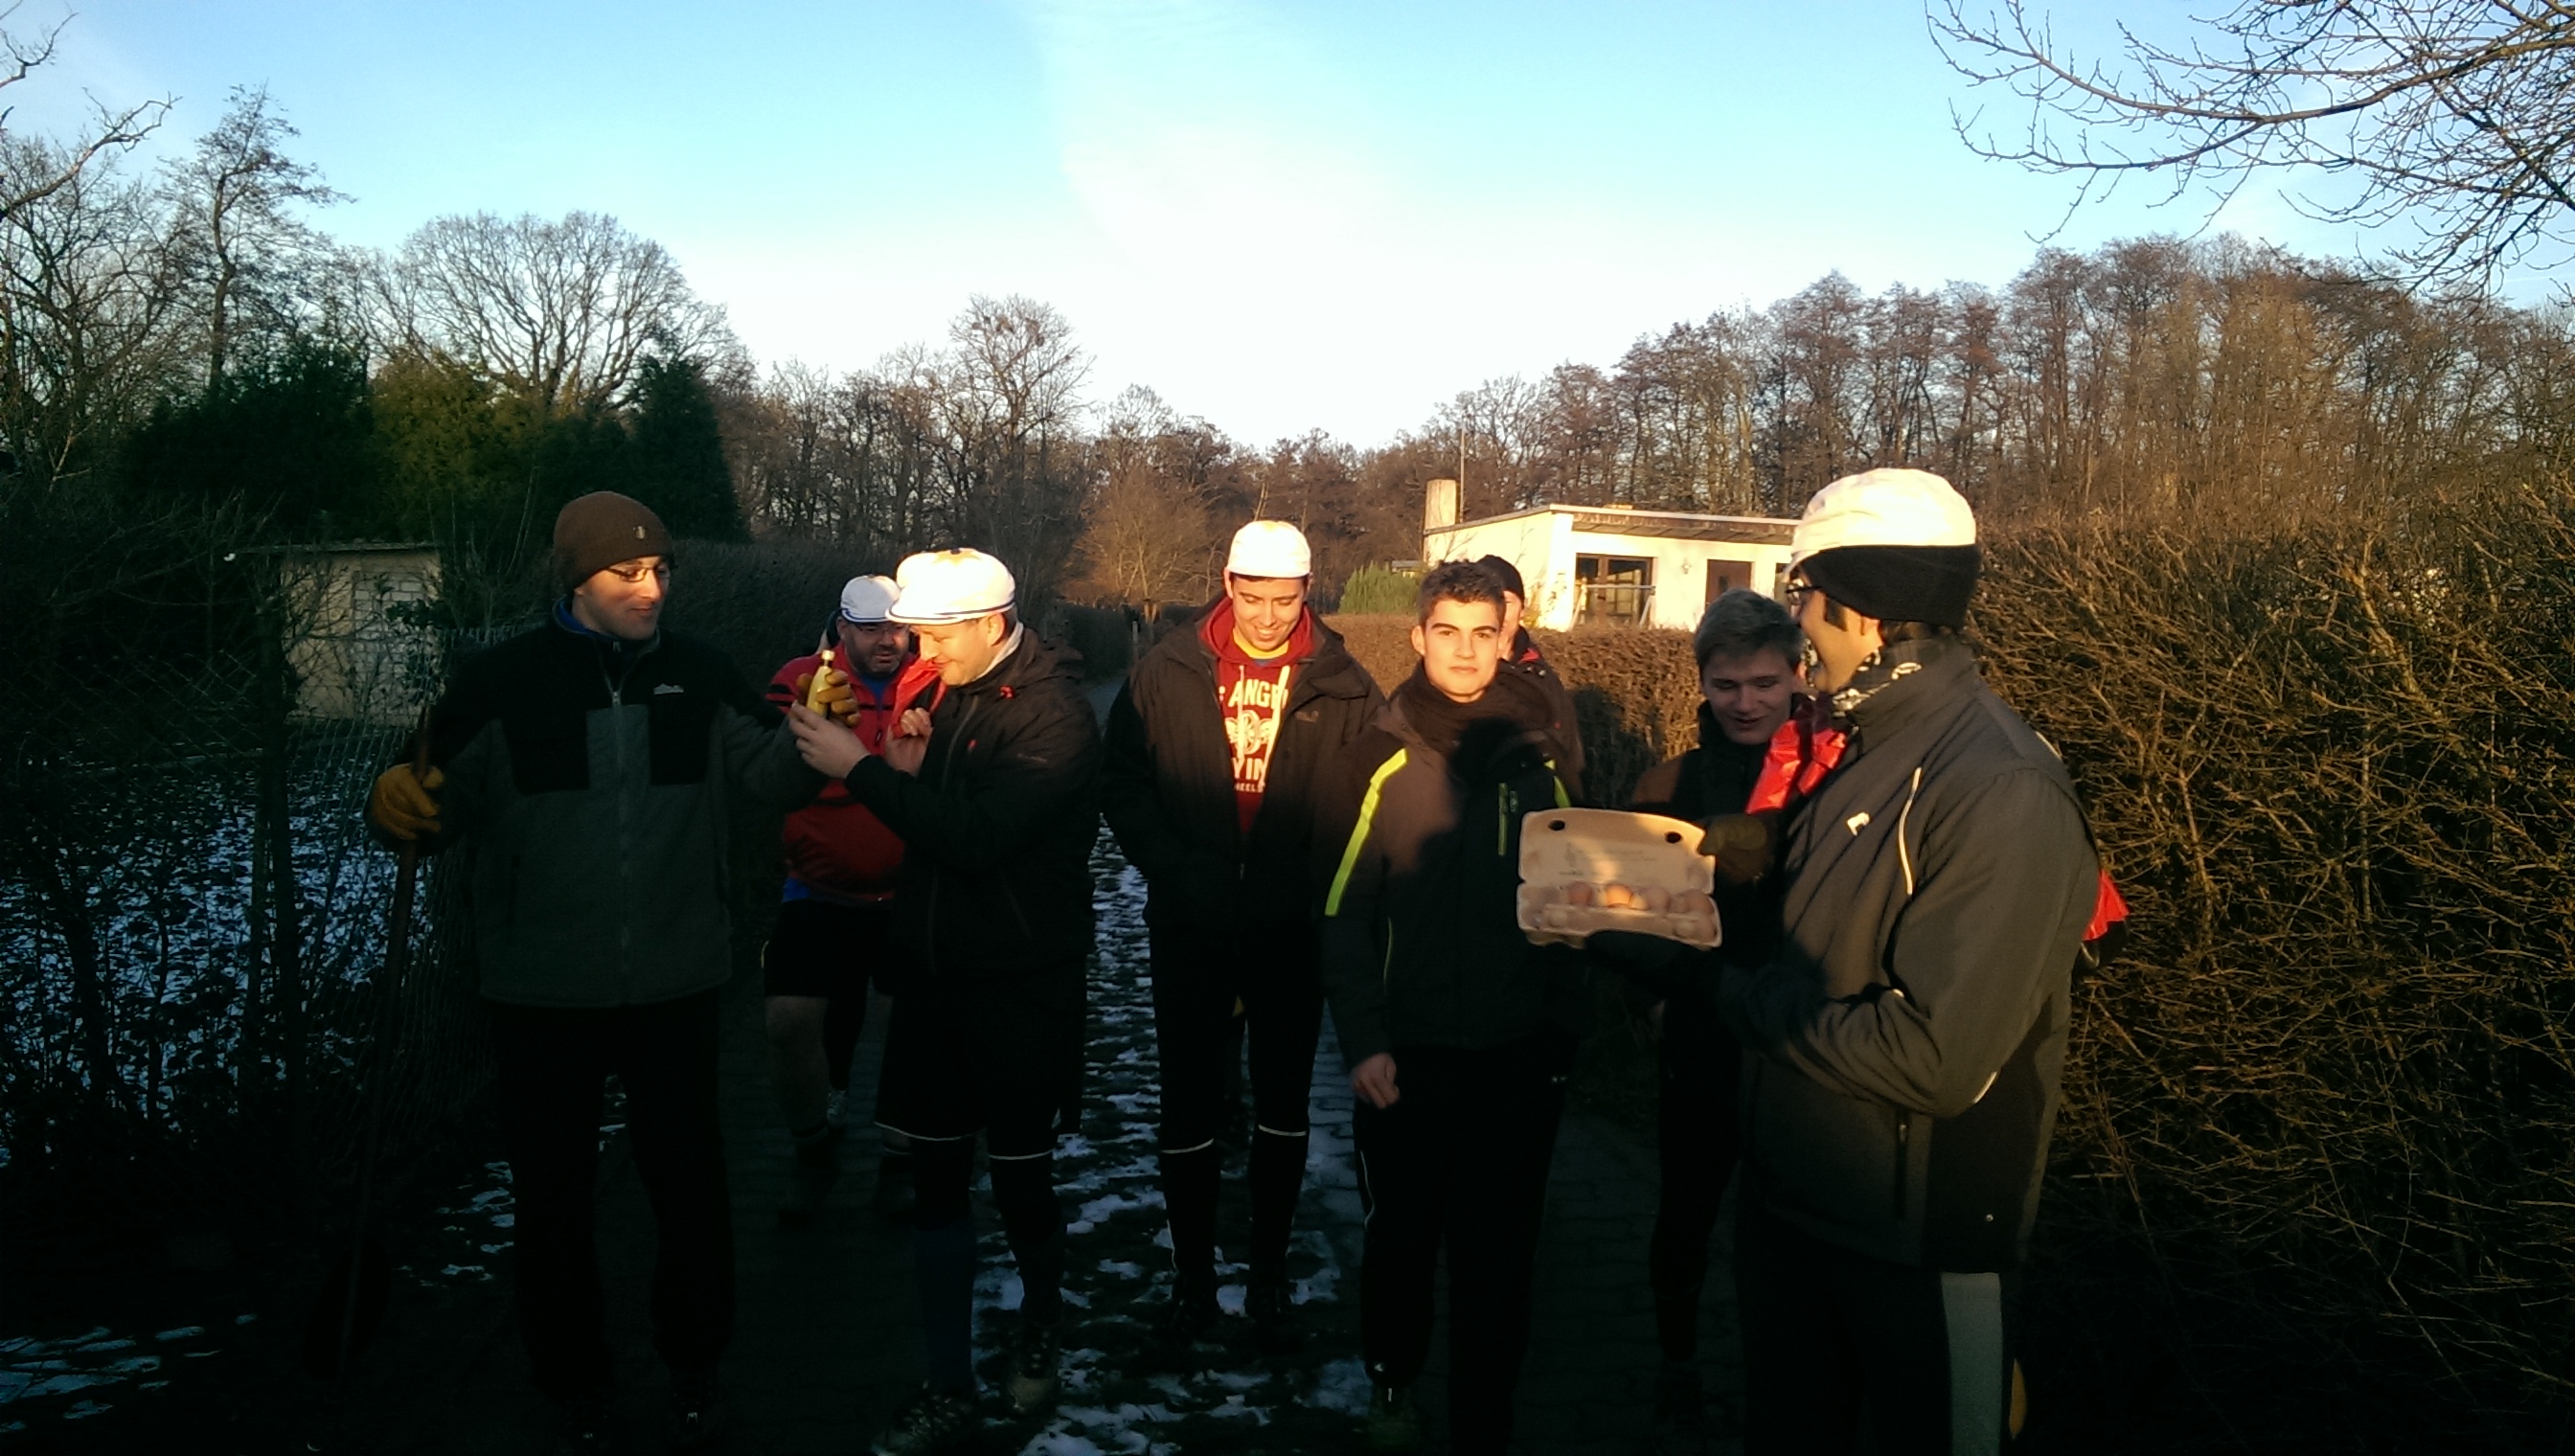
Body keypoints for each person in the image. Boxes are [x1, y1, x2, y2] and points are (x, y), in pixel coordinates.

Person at [365, 491, 824, 1453]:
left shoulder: (701, 674)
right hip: (540, 990)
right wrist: (394, 801)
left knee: (690, 1192)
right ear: (576, 579)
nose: (651, 588)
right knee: (552, 1201)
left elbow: (771, 777)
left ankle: (694, 1367)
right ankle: (575, 1382)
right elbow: (431, 803)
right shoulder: (500, 682)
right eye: (626, 572)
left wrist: (815, 739)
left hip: (677, 982)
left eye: (661, 570)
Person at [1720, 468, 2099, 1455]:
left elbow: (1937, 1058)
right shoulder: (1862, 742)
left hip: (1921, 1239)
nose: (1799, 618)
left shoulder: (2000, 784)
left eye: (1805, 592)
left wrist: (1729, 995)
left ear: (1863, 606)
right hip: (1800, 1202)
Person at [784, 549, 1101, 1456]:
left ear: (992, 625)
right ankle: (947, 1378)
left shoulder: (1056, 715)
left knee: (1023, 1181)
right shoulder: (952, 692)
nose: (920, 651)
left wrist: (863, 769)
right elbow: (934, 829)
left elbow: (978, 840)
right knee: (935, 1185)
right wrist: (907, 774)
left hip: (1019, 984)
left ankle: (1040, 1325)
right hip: (932, 977)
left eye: (935, 635)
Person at [1311, 560, 1587, 1455]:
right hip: (1407, 1055)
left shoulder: (1545, 757)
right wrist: (1364, 1041)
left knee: (1497, 1252)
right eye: (1447, 633)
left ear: (1508, 639)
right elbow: (1341, 911)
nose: (1466, 652)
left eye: (1483, 634)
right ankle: (1393, 1379)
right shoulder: (1376, 758)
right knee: (1401, 1236)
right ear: (1418, 636)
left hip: (1516, 1054)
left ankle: (1484, 1418)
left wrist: (1560, 1032)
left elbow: (1577, 905)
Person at [1101, 520, 1383, 1361]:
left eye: (1284, 600)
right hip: (1190, 919)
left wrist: (1308, 885)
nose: (1266, 617)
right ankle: (1192, 1280)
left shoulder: (1345, 684)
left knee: (1284, 1104)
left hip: (1288, 927)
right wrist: (1173, 867)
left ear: (1308, 591)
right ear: (1227, 585)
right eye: (1252, 598)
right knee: (1186, 1100)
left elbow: (1363, 806)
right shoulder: (1165, 670)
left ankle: (1266, 1274)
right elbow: (1124, 782)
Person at [1614, 588, 1810, 1447]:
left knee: (1788, 1229)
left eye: (1765, 683)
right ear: (1701, 682)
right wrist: (1652, 1004)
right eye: (1727, 685)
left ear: (1797, 676)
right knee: (1686, 1213)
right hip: (1699, 1038)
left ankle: (1786, 1382)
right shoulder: (1668, 786)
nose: (1746, 703)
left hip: (1800, 1045)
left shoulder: (1831, 777)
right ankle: (1678, 1362)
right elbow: (1623, 916)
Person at [759, 575, 941, 1227]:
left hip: (910, 891)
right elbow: (772, 768)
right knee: (788, 1021)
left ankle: (899, 1158)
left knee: (908, 1025)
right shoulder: (801, 680)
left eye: (897, 628)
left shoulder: (937, 683)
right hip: (819, 888)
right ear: (842, 629)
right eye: (870, 629)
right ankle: (812, 1149)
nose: (886, 641)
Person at [1472, 553, 1585, 791]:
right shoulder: (1457, 673)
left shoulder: (1541, 677)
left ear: (1522, 610)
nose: (1498, 612)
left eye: (1506, 601)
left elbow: (1570, 755)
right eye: (1488, 600)